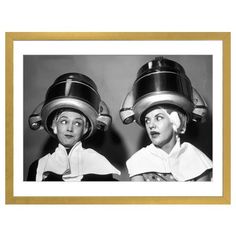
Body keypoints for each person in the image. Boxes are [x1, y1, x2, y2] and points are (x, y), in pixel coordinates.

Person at [120, 57, 213, 181]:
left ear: (176, 122)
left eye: (158, 118)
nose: (151, 125)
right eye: (147, 120)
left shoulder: (197, 161)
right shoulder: (139, 162)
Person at [27, 72, 120, 181]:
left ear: (85, 129)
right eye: (63, 122)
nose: (69, 128)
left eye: (77, 123)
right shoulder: (38, 167)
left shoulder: (100, 165)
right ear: (54, 126)